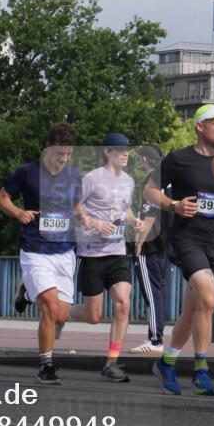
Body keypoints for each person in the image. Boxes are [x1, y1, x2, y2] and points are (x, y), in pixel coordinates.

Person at [147, 104, 214, 396]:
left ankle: (167, 362)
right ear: (200, 127)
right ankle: (201, 369)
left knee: (194, 309)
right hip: (186, 239)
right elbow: (149, 189)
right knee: (208, 296)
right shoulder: (180, 159)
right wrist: (174, 205)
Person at [0, 123, 83, 385]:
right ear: (47, 148)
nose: (63, 160)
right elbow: (1, 198)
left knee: (61, 315)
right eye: (59, 154)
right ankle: (46, 366)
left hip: (65, 250)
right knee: (49, 306)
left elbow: (78, 205)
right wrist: (18, 213)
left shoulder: (74, 175)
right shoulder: (27, 171)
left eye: (68, 155)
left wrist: (87, 219)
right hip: (35, 248)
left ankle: (25, 288)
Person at [70, 132, 145, 383]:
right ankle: (61, 313)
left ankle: (111, 363)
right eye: (119, 150)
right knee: (94, 316)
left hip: (117, 252)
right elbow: (75, 206)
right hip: (92, 254)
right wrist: (93, 222)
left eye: (127, 150)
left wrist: (133, 220)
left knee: (123, 302)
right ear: (107, 152)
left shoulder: (129, 181)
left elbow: (124, 208)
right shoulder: (92, 179)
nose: (125, 154)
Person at [130, 145, 170, 355]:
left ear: (145, 159)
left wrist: (139, 243)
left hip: (150, 245)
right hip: (165, 243)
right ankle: (156, 337)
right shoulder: (167, 181)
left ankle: (155, 339)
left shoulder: (151, 182)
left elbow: (151, 213)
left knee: (151, 294)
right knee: (159, 292)